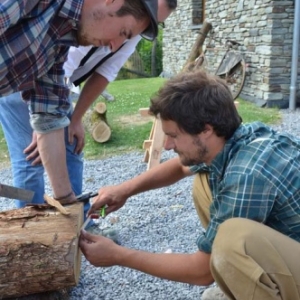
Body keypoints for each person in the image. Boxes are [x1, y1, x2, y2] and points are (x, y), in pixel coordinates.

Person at [79, 70, 300, 300]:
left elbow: (201, 272)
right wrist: (124, 190)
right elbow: (180, 167)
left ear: (206, 130)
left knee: (232, 240)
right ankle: (243, 281)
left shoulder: (247, 174)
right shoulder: (235, 138)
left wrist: (118, 255)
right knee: (203, 183)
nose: (166, 145)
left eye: (173, 135)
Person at [0, 0, 176, 210]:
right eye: (123, 32)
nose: (114, 46)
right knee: (29, 161)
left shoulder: (58, 45)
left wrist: (66, 202)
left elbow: (49, 117)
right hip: (13, 96)